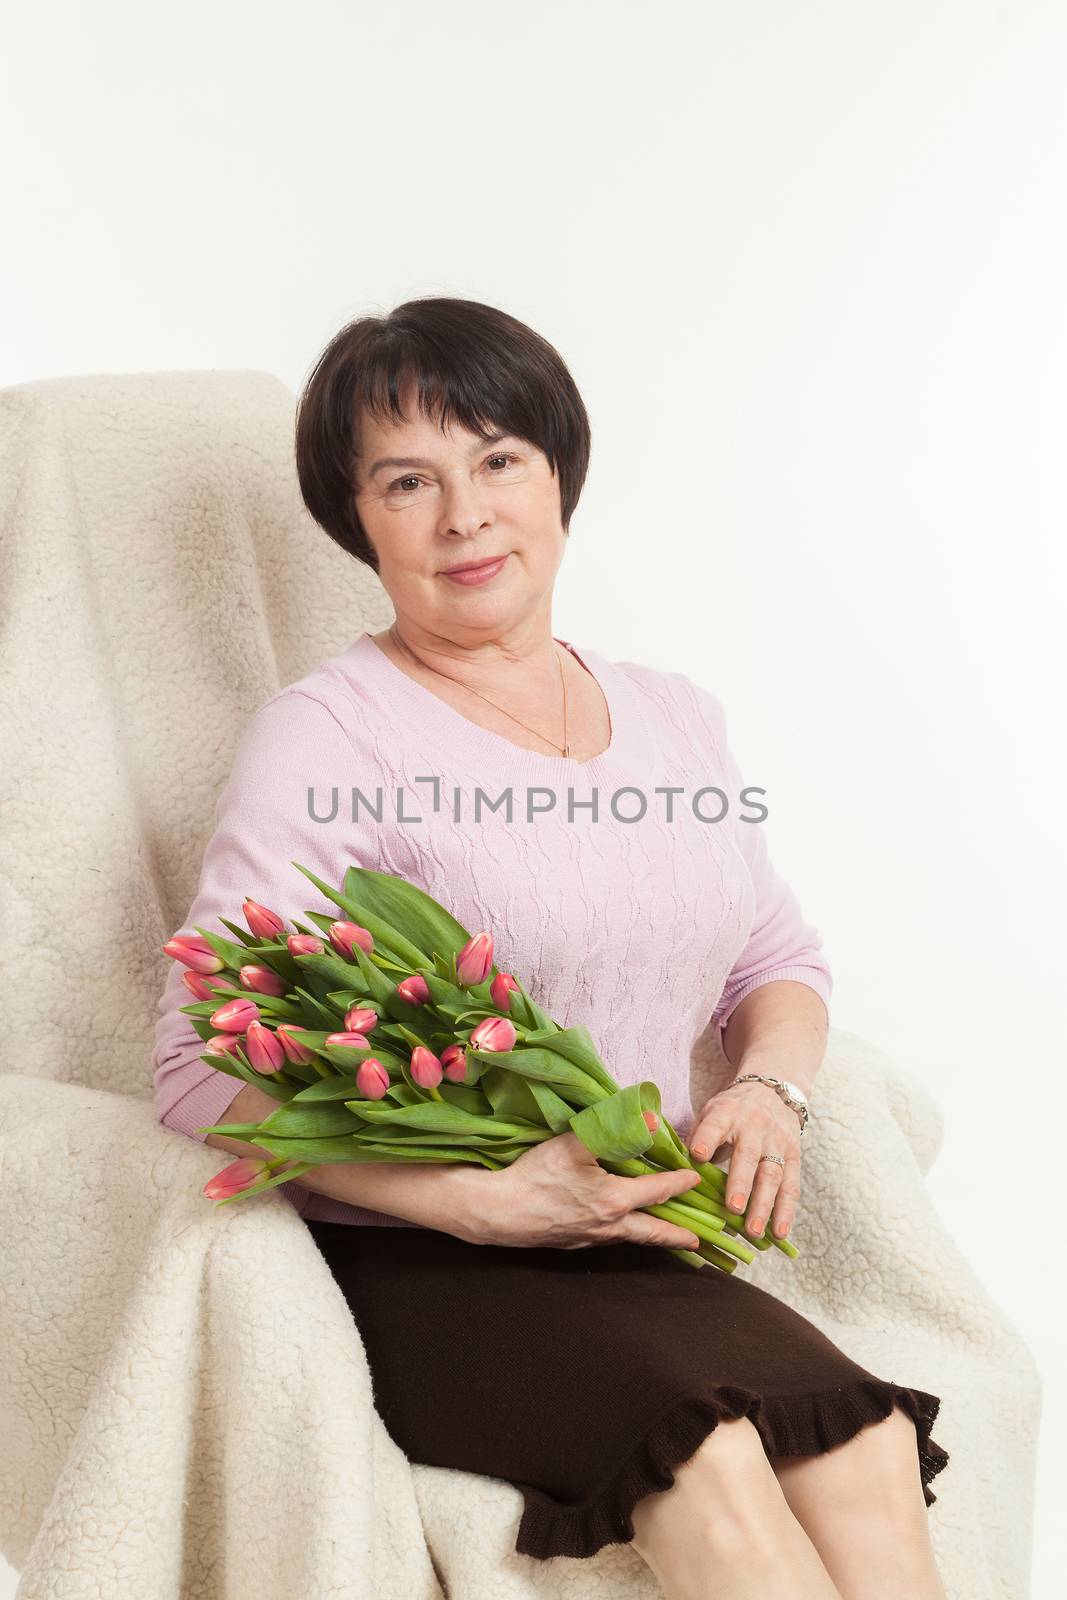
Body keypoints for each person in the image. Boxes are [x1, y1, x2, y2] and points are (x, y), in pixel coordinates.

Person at [152, 296, 949, 1599]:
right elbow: (193, 1051)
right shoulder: (330, 732)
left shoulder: (673, 719)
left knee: (861, 1442)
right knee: (712, 1466)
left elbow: (774, 957)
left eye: (498, 460)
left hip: (637, 1234)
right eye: (409, 481)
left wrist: (770, 1092)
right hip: (418, 1263)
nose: (464, 514)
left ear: (559, 476)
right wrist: (477, 1196)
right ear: (359, 521)